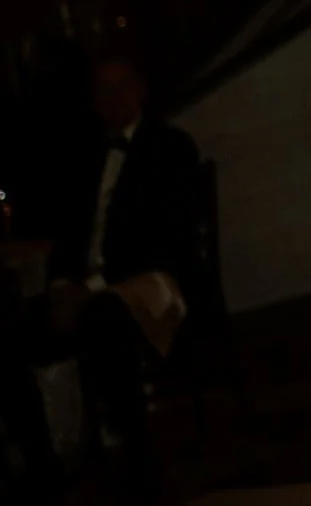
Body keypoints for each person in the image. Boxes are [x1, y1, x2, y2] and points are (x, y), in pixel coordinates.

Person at [39, 58, 200, 499]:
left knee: (106, 316)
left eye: (121, 87)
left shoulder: (170, 147)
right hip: (88, 283)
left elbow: (160, 239)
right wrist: (59, 287)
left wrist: (89, 289)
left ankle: (137, 455)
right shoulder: (83, 157)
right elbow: (67, 234)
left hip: (149, 279)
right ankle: (46, 464)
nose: (112, 99)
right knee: (19, 331)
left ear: (140, 91)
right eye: (102, 90)